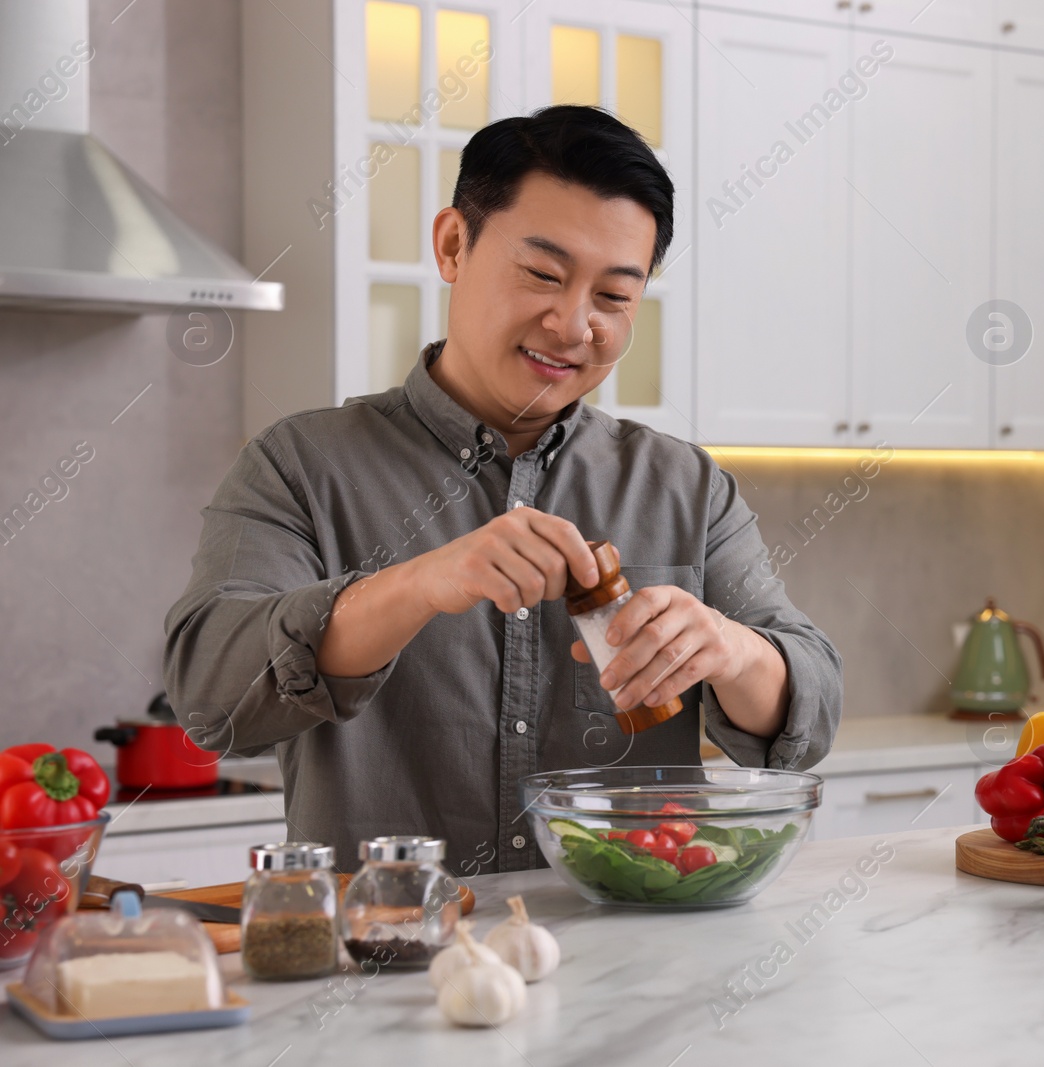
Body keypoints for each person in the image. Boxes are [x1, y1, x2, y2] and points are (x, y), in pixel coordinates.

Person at [163, 106, 842, 873]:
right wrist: (418, 584)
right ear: (454, 244)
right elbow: (210, 693)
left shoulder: (684, 485)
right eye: (544, 275)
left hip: (630, 969)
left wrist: (729, 648)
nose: (573, 323)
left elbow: (809, 713)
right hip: (386, 966)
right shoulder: (300, 464)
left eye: (614, 297)